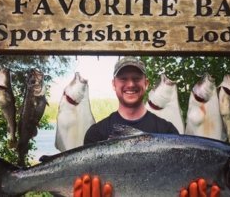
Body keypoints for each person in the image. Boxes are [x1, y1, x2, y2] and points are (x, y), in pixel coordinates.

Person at [74, 56, 220, 197]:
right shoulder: (96, 133)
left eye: (136, 78)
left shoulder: (168, 132)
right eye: (123, 78)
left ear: (146, 83)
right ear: (114, 84)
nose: (130, 84)